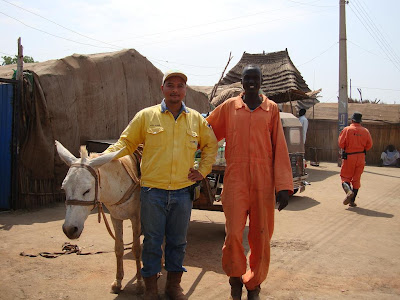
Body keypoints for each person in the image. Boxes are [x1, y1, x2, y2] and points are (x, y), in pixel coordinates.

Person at [104, 70, 218, 300]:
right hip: (152, 193)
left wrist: (203, 170)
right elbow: (126, 143)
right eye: (170, 85)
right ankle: (151, 289)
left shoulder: (196, 119)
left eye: (180, 86)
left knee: (178, 242)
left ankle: (173, 286)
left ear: (185, 90)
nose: (175, 90)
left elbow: (211, 145)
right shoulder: (146, 116)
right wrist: (101, 159)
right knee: (152, 242)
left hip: (182, 193)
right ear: (162, 89)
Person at [206, 65, 293, 300]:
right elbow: (208, 132)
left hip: (264, 183)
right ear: (241, 82)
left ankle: (253, 285)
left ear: (262, 81)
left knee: (261, 236)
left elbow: (280, 149)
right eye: (247, 78)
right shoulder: (229, 108)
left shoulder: (271, 109)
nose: (251, 82)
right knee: (233, 232)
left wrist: (283, 186)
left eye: (255, 78)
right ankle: (235, 279)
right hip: (236, 180)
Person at [338, 112, 373, 207]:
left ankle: (349, 191)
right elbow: (369, 145)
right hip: (361, 157)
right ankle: (352, 201)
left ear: (352, 120)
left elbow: (341, 143)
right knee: (356, 180)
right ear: (360, 121)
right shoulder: (365, 131)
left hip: (349, 156)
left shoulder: (347, 129)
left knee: (345, 177)